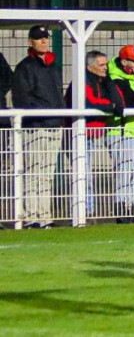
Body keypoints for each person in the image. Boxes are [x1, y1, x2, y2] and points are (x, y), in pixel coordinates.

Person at [13, 25, 66, 229]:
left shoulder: (53, 65)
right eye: (39, 38)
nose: (43, 41)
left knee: (46, 173)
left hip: (54, 125)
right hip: (35, 126)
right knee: (33, 172)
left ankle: (45, 216)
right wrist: (45, 112)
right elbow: (22, 98)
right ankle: (30, 216)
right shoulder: (24, 67)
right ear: (30, 42)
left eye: (45, 38)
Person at [64, 50, 123, 219]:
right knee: (84, 175)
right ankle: (83, 213)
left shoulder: (103, 81)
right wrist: (109, 105)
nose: (106, 68)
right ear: (90, 67)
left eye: (106, 65)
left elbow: (119, 104)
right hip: (77, 134)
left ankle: (87, 211)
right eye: (102, 65)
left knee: (87, 175)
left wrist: (109, 82)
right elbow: (88, 103)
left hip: (92, 134)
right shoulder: (82, 81)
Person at [107, 45, 134, 223]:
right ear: (125, 62)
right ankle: (122, 211)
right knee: (124, 173)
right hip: (121, 132)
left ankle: (125, 203)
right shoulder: (116, 79)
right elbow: (133, 104)